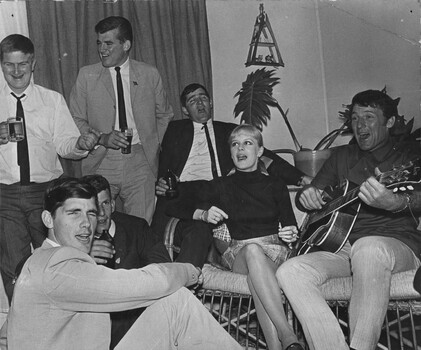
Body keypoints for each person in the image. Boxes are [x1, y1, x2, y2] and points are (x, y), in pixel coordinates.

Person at [6, 177, 242, 350]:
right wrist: (189, 271)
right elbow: (136, 285)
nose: (87, 223)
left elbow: (7, 334)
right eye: (74, 213)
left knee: (174, 302)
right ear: (48, 218)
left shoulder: (39, 260)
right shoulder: (57, 265)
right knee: (176, 301)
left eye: (91, 213)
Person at [276, 89, 421, 350]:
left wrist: (397, 202)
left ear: (389, 122)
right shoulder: (340, 156)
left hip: (396, 245)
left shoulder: (410, 155)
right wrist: (306, 197)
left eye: (369, 117)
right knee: (290, 271)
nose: (360, 125)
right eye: (355, 118)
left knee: (369, 247)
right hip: (342, 247)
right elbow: (312, 199)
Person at [166, 124, 303, 350]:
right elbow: (172, 205)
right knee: (252, 251)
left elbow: (290, 226)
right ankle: (287, 334)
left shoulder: (275, 184)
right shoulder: (220, 186)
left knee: (256, 278)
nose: (240, 148)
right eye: (235, 144)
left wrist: (290, 233)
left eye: (248, 143)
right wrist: (203, 213)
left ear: (260, 151)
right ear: (230, 152)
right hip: (239, 253)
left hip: (275, 253)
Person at [150, 83, 311, 267]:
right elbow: (165, 169)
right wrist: (163, 182)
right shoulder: (175, 130)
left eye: (203, 97)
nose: (199, 103)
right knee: (179, 233)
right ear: (185, 110)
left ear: (211, 102)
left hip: (220, 194)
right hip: (187, 193)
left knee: (203, 229)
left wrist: (302, 178)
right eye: (192, 100)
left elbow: (268, 158)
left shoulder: (230, 133)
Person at [0, 34, 99, 303]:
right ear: (1, 64)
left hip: (46, 192)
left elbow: (66, 144)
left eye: (23, 64)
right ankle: (26, 327)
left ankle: (67, 320)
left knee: (59, 258)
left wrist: (80, 142)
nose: (17, 71)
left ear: (33, 64)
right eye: (10, 65)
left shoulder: (51, 100)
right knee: (14, 268)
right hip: (5, 196)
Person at [70, 16, 173, 223]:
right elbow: (75, 119)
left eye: (109, 43)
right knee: (96, 225)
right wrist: (102, 138)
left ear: (126, 45)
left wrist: (151, 144)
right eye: (99, 43)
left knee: (141, 226)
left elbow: (165, 114)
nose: (102, 49)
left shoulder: (149, 74)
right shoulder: (86, 76)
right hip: (101, 161)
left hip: (140, 162)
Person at [83, 174, 157, 349]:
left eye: (105, 204)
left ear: (113, 204)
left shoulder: (137, 228)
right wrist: (83, 256)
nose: (101, 213)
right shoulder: (76, 237)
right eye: (94, 207)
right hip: (91, 320)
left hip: (132, 315)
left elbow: (162, 266)